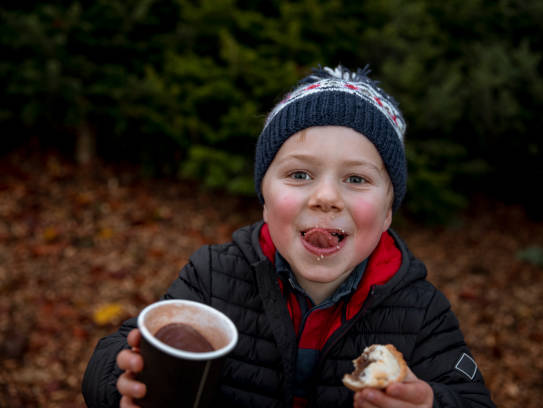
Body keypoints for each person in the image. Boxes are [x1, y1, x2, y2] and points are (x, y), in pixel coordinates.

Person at [82, 65, 496, 408]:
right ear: (264, 199)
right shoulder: (214, 275)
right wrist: (124, 381)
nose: (327, 197)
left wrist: (429, 405)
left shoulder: (422, 311)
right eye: (300, 174)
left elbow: (473, 401)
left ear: (388, 212)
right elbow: (116, 352)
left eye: (356, 178)